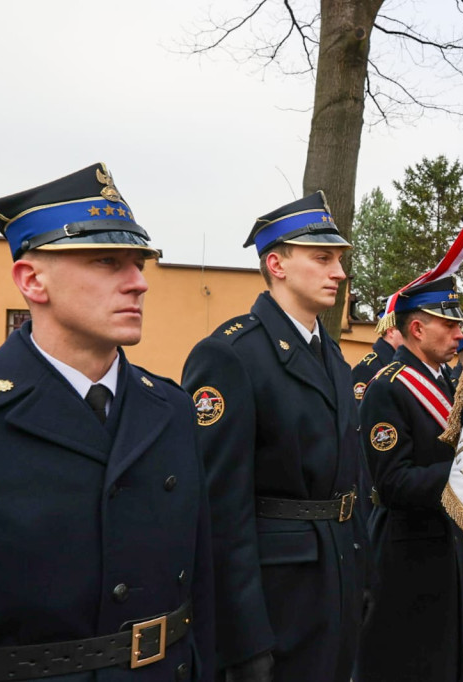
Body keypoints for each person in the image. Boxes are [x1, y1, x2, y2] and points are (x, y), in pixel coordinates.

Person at [0, 163, 215, 680]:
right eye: (108, 261)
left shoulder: (173, 409)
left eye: (139, 263)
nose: (138, 284)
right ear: (31, 280)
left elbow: (203, 582)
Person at [181, 192, 366, 682]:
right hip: (276, 593)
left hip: (336, 574)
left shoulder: (333, 356)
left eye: (339, 260)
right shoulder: (232, 355)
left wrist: (361, 574)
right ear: (276, 264)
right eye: (323, 258)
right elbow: (218, 509)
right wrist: (241, 638)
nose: (339, 273)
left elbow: (354, 478)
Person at [355, 276, 463, 682]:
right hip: (407, 551)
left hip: (446, 540)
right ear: (418, 329)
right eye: (449, 325)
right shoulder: (388, 388)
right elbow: (392, 482)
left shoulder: (444, 379)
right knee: (409, 659)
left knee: (443, 656)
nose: (460, 333)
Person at [352, 311, 403, 401]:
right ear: (391, 331)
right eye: (406, 330)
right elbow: (357, 411)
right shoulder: (367, 368)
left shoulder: (401, 363)